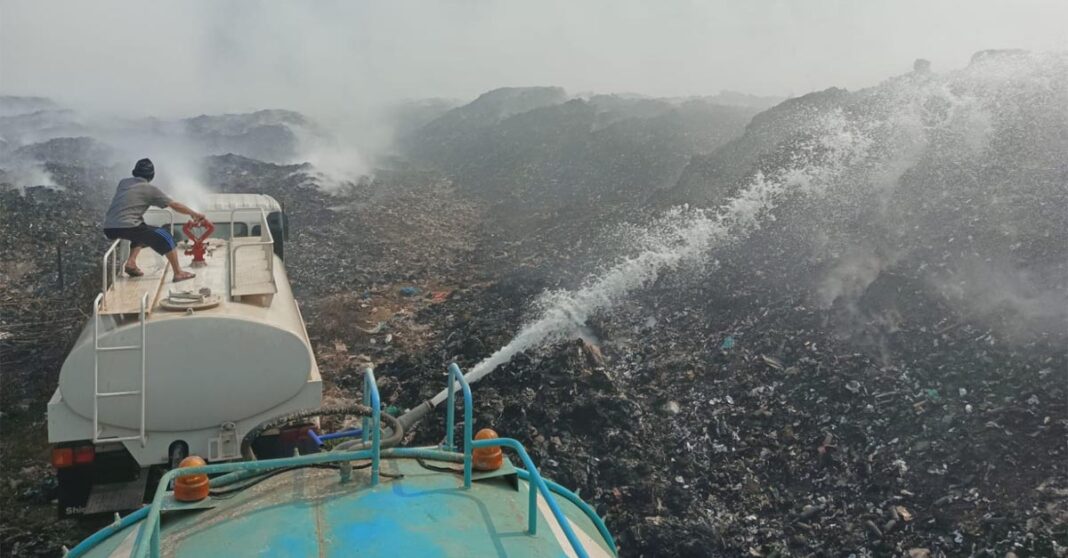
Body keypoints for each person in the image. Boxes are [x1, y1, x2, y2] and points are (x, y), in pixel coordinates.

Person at [103, 158, 206, 282]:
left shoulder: (123, 183)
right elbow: (175, 205)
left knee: (142, 228)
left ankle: (131, 262)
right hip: (129, 226)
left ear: (134, 172)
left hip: (109, 227)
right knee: (167, 236)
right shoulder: (150, 189)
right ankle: (178, 273)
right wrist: (194, 214)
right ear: (152, 175)